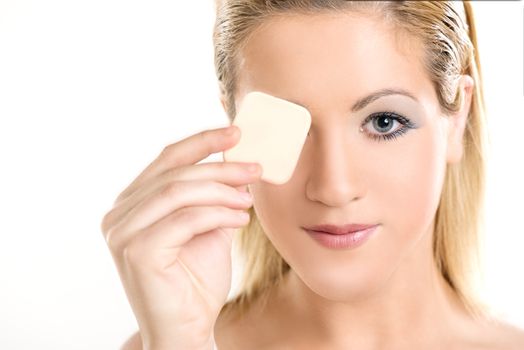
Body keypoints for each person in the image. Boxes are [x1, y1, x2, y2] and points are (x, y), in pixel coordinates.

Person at [101, 1, 524, 349]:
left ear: (456, 119)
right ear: (234, 123)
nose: (333, 188)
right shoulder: (169, 343)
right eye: (290, 126)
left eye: (383, 122)